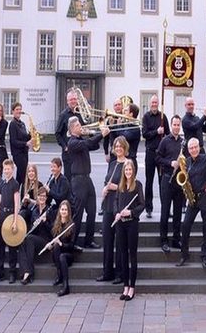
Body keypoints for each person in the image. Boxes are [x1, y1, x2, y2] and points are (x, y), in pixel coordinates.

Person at [176, 138, 206, 268]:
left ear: (199, 147)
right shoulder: (187, 161)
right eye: (191, 148)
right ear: (188, 150)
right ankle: (184, 255)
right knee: (185, 226)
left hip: (205, 197)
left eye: (195, 147)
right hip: (192, 199)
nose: (193, 150)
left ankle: (205, 255)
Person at [67, 116, 109, 248]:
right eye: (79, 125)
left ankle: (88, 240)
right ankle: (72, 242)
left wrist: (98, 133)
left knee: (92, 212)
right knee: (78, 214)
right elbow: (88, 144)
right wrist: (101, 133)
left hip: (87, 179)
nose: (82, 127)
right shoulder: (72, 142)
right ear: (73, 128)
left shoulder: (80, 140)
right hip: (78, 181)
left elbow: (94, 145)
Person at [98, 137, 128, 284]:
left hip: (120, 205)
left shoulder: (128, 163)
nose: (118, 149)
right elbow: (107, 180)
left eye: (120, 146)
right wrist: (105, 188)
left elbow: (129, 186)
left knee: (119, 241)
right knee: (107, 240)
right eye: (116, 146)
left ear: (125, 148)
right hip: (108, 205)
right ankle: (107, 272)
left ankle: (119, 273)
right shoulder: (112, 163)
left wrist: (113, 187)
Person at [115, 159, 145, 301]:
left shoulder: (137, 185)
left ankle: (132, 287)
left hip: (132, 224)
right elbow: (116, 202)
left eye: (130, 170)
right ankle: (125, 286)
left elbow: (142, 205)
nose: (128, 172)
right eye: (126, 170)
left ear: (133, 171)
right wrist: (117, 212)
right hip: (120, 224)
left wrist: (131, 213)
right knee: (123, 255)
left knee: (132, 255)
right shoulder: (121, 186)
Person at [155, 115, 186, 253]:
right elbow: (157, 158)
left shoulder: (183, 142)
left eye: (178, 125)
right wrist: (170, 163)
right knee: (165, 211)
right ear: (171, 125)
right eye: (174, 124)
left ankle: (176, 239)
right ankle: (164, 240)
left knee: (178, 212)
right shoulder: (165, 141)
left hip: (179, 182)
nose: (176, 127)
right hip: (167, 180)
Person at [0, 159, 21, 283]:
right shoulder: (2, 184)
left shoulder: (15, 184)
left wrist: (15, 221)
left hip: (10, 216)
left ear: (12, 170)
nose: (6, 171)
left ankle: (12, 272)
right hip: (2, 216)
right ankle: (0, 272)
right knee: (1, 246)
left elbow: (16, 203)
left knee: (12, 246)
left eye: (8, 169)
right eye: (5, 169)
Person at [142, 95, 170, 219]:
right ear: (150, 104)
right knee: (149, 181)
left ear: (158, 104)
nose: (154, 104)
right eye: (152, 102)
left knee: (162, 182)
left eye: (156, 102)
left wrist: (164, 134)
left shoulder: (163, 117)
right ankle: (148, 208)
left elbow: (168, 134)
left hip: (161, 154)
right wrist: (156, 132)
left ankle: (165, 208)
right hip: (150, 152)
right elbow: (144, 134)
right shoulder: (146, 117)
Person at [18, 188, 53, 285]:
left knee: (29, 239)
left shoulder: (49, 211)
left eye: (44, 196)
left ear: (46, 198)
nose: (42, 198)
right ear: (37, 197)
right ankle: (26, 272)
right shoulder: (35, 211)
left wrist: (45, 222)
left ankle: (30, 273)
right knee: (21, 241)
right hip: (34, 239)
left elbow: (53, 230)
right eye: (40, 196)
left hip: (45, 240)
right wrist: (36, 223)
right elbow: (34, 229)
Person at [55, 90, 85, 178]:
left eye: (75, 99)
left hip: (80, 151)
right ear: (67, 101)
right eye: (71, 99)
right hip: (68, 153)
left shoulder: (82, 113)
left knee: (80, 178)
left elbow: (86, 128)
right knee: (69, 178)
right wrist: (65, 147)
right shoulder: (63, 115)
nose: (73, 101)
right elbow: (57, 134)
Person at [50, 200, 77, 296]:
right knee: (56, 247)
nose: (64, 211)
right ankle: (59, 274)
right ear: (59, 211)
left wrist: (61, 244)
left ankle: (65, 286)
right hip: (57, 254)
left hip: (68, 255)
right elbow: (53, 238)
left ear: (68, 212)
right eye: (62, 209)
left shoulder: (72, 226)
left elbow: (71, 246)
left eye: (65, 210)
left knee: (62, 256)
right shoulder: (56, 224)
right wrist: (51, 245)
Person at [9, 102, 32, 186]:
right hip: (18, 155)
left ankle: (14, 195)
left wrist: (31, 135)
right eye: (17, 109)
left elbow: (24, 137)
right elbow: (14, 141)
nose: (19, 111)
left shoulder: (22, 123)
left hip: (24, 153)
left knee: (19, 179)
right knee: (25, 178)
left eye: (20, 109)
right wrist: (26, 143)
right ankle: (24, 197)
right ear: (13, 111)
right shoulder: (12, 124)